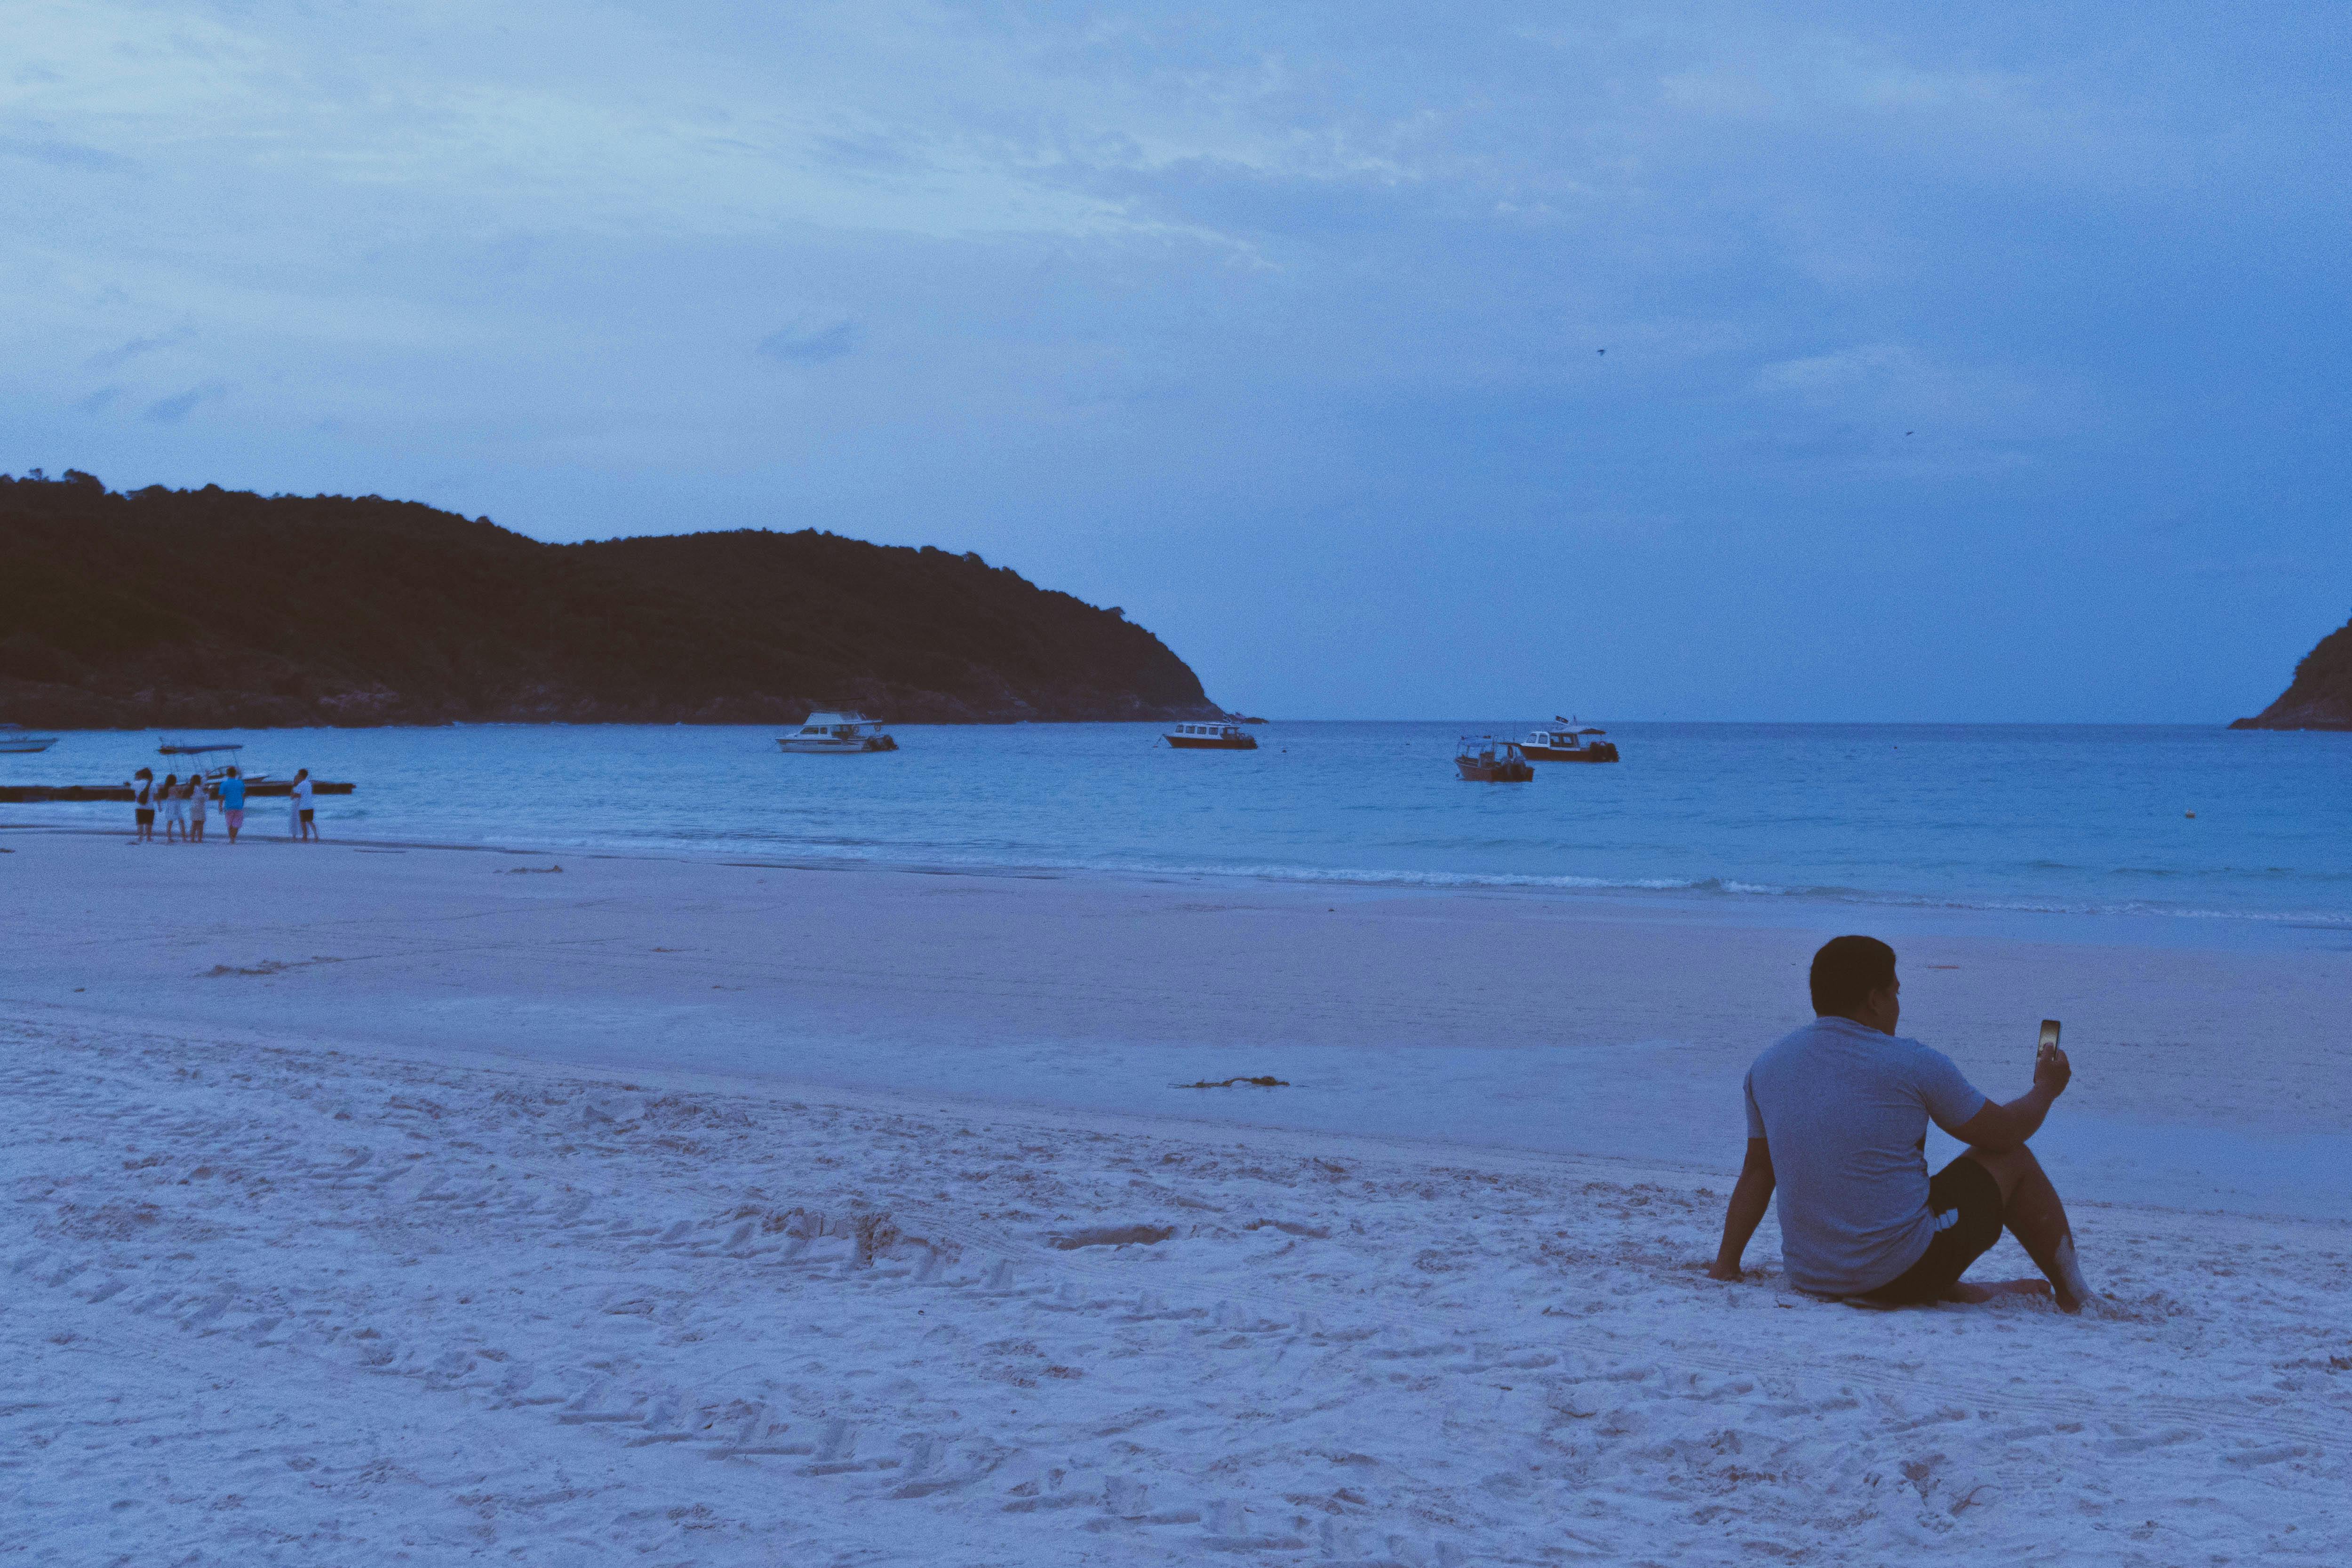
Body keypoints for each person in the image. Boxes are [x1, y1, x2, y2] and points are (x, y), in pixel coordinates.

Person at [1707, 935, 2095, 1313]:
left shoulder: (1767, 1066)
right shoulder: (1910, 1062)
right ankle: (2074, 1295)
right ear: (1874, 1000)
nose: (1897, 1005)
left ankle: (1954, 1288)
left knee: (1893, 1187)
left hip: (1809, 1274)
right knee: (2012, 1158)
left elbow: (1758, 1171)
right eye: (1895, 993)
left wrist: (1725, 1264)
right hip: (1899, 1273)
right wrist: (2045, 1088)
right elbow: (2005, 1131)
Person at [218, 766, 247, 844]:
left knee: (230, 823)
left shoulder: (224, 784)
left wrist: (220, 806)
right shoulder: (240, 783)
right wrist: (242, 804)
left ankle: (232, 839)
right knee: (237, 824)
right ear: (236, 774)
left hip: (229, 806)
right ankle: (233, 839)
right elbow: (243, 795)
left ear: (227, 774)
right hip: (239, 806)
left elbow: (221, 797)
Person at [132, 768, 156, 843]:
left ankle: (140, 837)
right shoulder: (152, 784)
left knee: (140, 823)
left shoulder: (136, 783)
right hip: (150, 806)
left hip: (139, 806)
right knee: (149, 823)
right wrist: (159, 805)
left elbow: (132, 788)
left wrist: (136, 779)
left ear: (141, 775)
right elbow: (156, 795)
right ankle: (149, 838)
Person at [159, 772, 185, 843]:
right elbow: (180, 797)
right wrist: (182, 791)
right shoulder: (173, 788)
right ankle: (184, 838)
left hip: (170, 805)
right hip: (175, 805)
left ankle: (169, 837)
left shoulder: (167, 788)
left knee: (170, 822)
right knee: (181, 821)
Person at [292, 768, 317, 841]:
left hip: (303, 806)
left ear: (301, 775)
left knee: (303, 823)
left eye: (299, 774)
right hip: (310, 805)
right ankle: (316, 835)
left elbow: (298, 795)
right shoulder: (309, 784)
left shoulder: (301, 785)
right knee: (310, 821)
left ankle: (305, 837)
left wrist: (293, 794)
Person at [187, 771, 208, 843]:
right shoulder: (198, 788)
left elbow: (203, 782)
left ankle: (192, 839)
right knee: (200, 824)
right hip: (199, 808)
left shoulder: (192, 787)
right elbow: (202, 798)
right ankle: (199, 839)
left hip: (193, 807)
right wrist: (208, 794)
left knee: (194, 824)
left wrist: (206, 775)